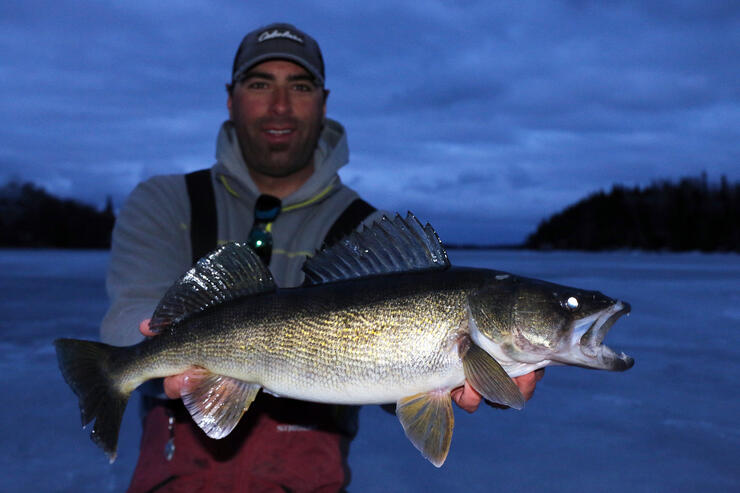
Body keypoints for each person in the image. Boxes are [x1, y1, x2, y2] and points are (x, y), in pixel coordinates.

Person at [101, 22, 544, 493]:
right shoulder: (165, 201)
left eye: (300, 86)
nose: (280, 105)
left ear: (324, 102)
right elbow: (126, 314)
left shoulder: (372, 235)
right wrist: (152, 337)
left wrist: (448, 379)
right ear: (230, 99)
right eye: (259, 84)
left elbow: (383, 368)